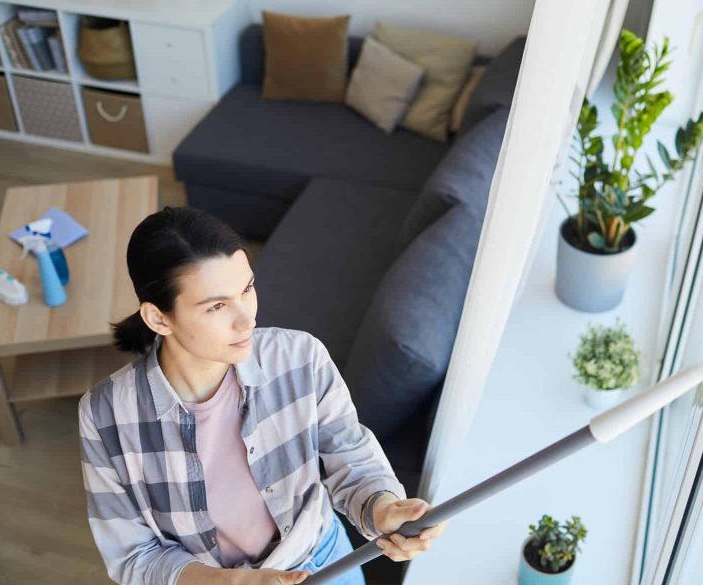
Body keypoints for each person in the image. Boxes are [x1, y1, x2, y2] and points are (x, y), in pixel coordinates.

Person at [77, 206, 447, 585]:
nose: (247, 319)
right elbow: (133, 556)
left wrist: (383, 509)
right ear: (158, 318)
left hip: (324, 564)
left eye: (247, 289)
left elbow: (349, 456)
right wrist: (232, 582)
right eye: (217, 306)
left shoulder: (300, 358)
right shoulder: (106, 415)